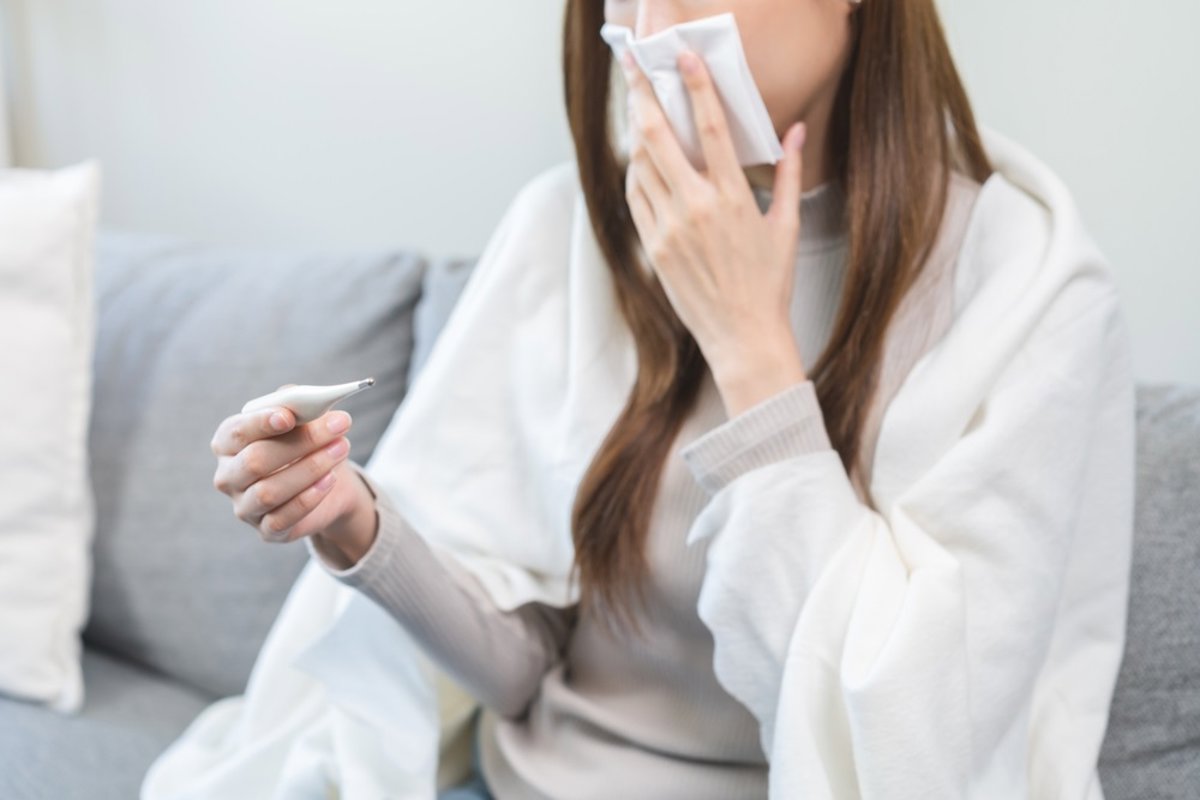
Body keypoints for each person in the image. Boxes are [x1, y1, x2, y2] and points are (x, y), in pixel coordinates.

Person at [209, 1, 1135, 798]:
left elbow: (919, 742)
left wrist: (749, 346)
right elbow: (521, 672)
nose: (649, 32)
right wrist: (355, 525)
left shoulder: (1024, 293)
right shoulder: (571, 230)